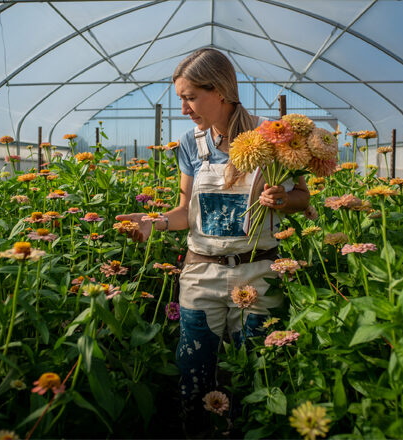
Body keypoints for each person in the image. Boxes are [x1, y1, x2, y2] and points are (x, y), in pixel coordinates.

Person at [115, 48, 309, 431]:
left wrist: (283, 199)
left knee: (259, 374)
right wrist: (153, 222)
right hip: (202, 273)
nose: (184, 109)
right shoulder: (191, 143)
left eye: (190, 97)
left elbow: (303, 198)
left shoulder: (270, 138)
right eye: (181, 99)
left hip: (258, 272)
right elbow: (185, 209)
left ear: (220, 91)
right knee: (193, 372)